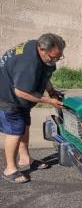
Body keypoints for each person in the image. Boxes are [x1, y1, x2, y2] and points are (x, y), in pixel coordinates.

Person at [0, 33, 65, 183]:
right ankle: (10, 169)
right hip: (7, 97)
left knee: (25, 126)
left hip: (21, 98)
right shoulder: (28, 63)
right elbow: (20, 91)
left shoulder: (42, 53)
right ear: (42, 50)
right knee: (15, 131)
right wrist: (48, 100)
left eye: (59, 57)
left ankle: (25, 158)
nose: (55, 60)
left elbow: (45, 75)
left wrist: (51, 90)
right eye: (53, 57)